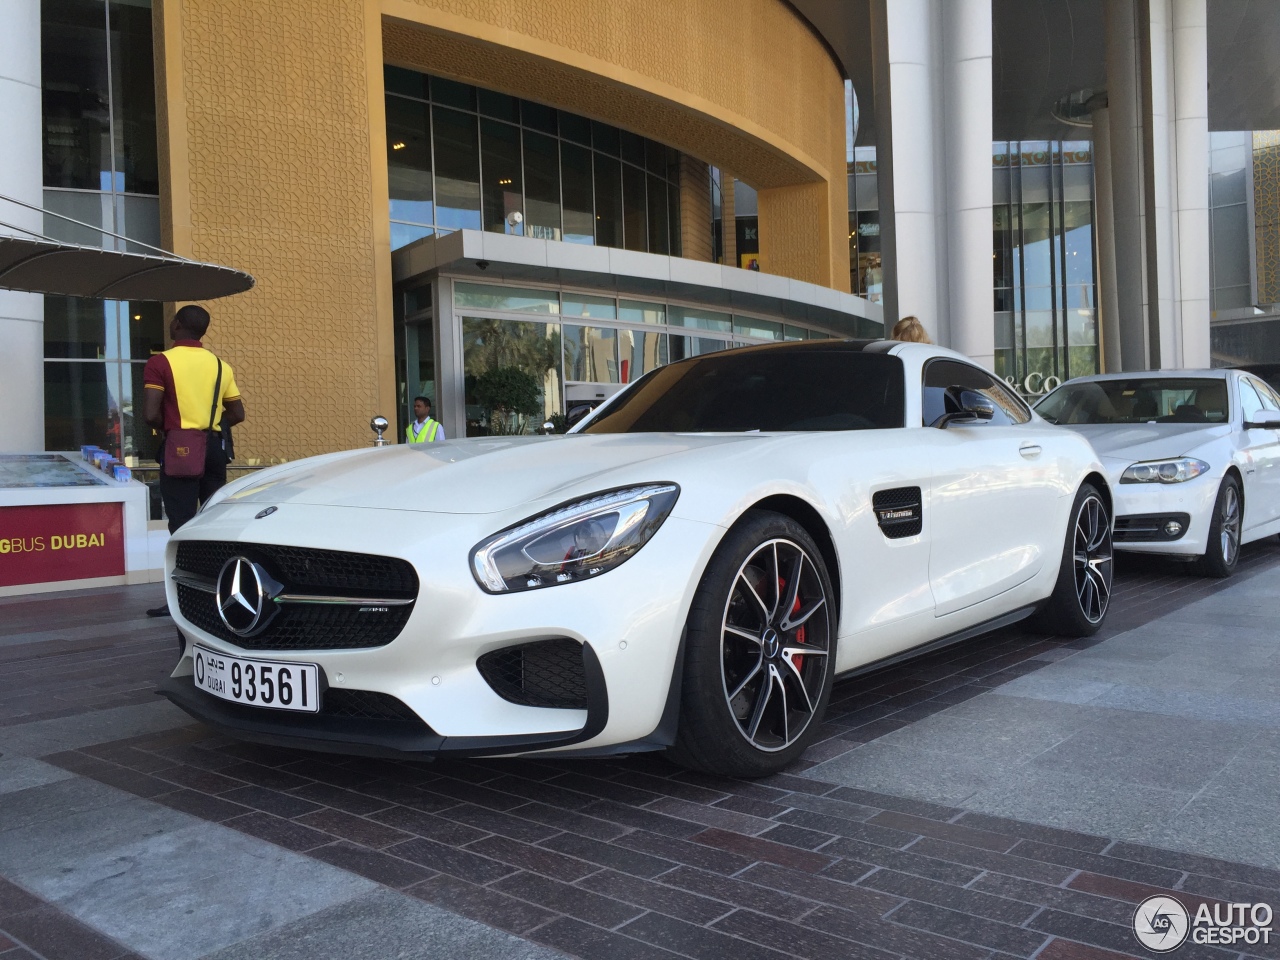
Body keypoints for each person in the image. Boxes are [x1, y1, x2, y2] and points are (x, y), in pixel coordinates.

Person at [143, 304, 245, 617]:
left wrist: (171, 429)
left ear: (176, 325)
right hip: (214, 449)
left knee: (182, 525)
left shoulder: (160, 362)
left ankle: (184, 598)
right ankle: (222, 594)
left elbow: (149, 413)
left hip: (181, 450)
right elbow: (237, 413)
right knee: (214, 522)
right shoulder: (219, 365)